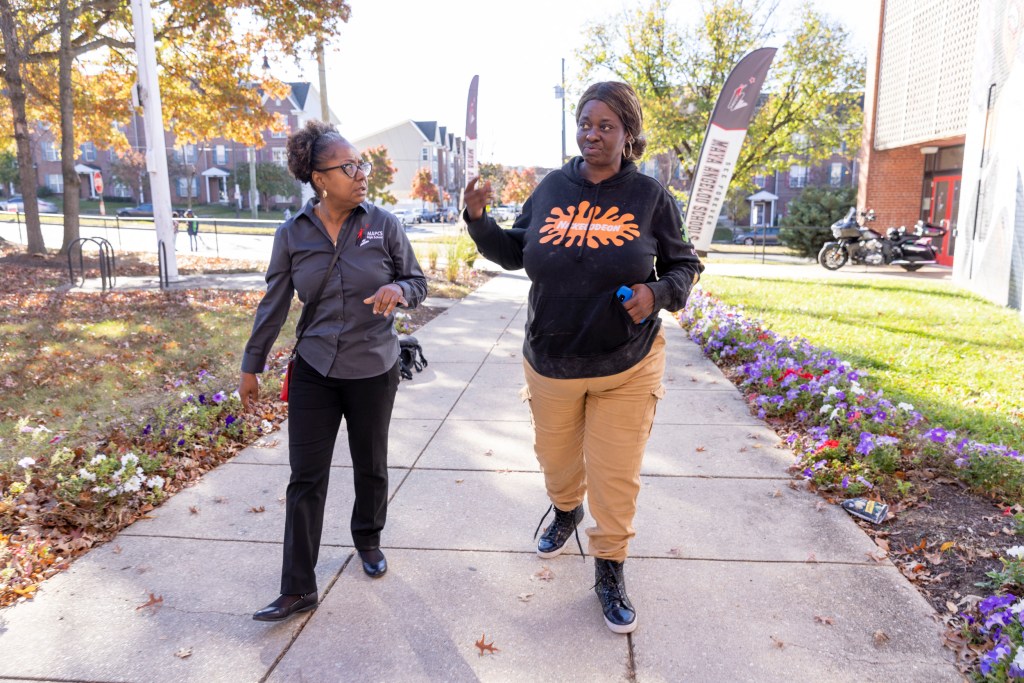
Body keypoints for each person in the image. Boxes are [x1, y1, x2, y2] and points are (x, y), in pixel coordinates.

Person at [463, 81, 704, 634]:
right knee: (557, 463)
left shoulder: (650, 196)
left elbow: (684, 265)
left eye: (606, 126)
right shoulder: (552, 187)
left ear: (628, 134)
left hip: (626, 364)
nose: (592, 135)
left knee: (615, 476)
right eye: (585, 124)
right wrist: (479, 220)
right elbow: (514, 252)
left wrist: (657, 294)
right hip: (551, 360)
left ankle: (609, 565)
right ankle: (566, 508)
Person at [239, 119, 427, 623]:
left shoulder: (383, 224)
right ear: (320, 179)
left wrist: (399, 290)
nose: (361, 174)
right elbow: (274, 303)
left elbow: (417, 281)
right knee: (305, 477)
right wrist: (251, 364)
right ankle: (298, 587)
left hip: (373, 367)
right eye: (349, 167)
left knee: (371, 464)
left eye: (360, 164)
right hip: (315, 368)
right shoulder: (292, 233)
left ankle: (368, 539)